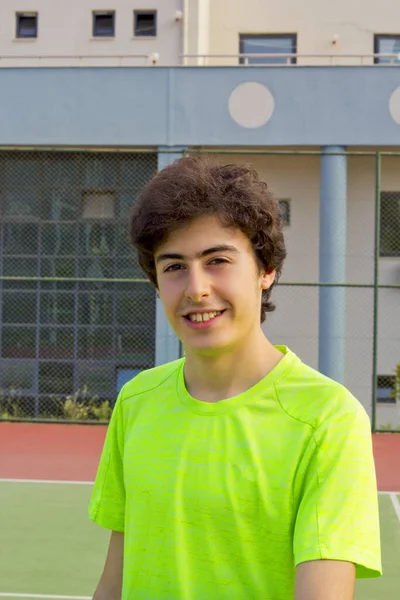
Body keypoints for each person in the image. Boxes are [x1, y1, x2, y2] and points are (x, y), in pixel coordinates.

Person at [89, 156, 381, 600]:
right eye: (173, 267)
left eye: (217, 260)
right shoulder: (136, 401)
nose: (196, 288)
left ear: (266, 271)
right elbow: (114, 583)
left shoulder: (327, 418)